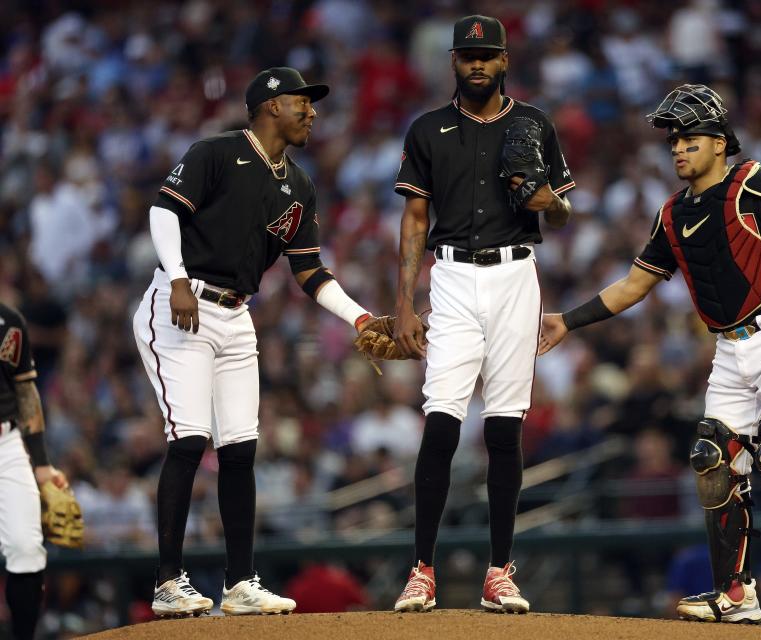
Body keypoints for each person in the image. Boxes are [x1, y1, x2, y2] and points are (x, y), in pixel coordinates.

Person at [538, 84, 761, 625]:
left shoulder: (753, 182)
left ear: (718, 142)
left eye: (688, 137)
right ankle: (735, 591)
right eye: (673, 140)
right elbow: (634, 286)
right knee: (711, 457)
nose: (678, 147)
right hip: (729, 347)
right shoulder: (671, 214)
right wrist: (568, 320)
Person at [132, 67, 376, 617]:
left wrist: (360, 318)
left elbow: (309, 270)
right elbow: (163, 210)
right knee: (190, 439)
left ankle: (240, 582)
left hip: (237, 314)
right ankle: (167, 582)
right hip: (183, 302)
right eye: (302, 103)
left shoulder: (300, 184)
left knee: (240, 450)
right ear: (271, 106)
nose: (312, 112)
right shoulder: (216, 152)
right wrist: (175, 277)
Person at [391, 15, 575, 614]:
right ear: (453, 61)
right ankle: (422, 568)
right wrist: (402, 300)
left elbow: (562, 211)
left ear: (504, 60)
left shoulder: (533, 124)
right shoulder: (428, 130)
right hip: (450, 277)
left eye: (487, 54)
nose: (477, 63)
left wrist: (555, 205)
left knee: (504, 426)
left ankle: (499, 571)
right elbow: (415, 217)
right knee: (441, 419)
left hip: (516, 274)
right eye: (467, 54)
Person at [0, 302, 71, 639]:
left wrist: (41, 464)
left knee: (27, 548)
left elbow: (26, 391)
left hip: (6, 441)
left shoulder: (10, 322)